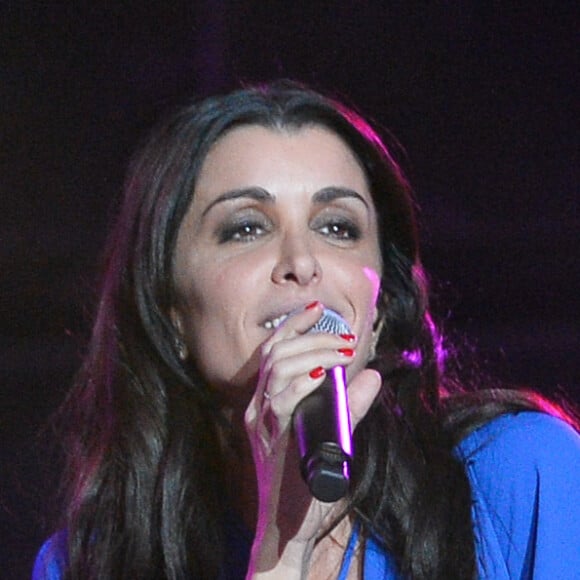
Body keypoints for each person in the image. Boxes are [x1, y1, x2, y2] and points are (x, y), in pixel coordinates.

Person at [33, 81, 580, 579]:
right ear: (169, 311)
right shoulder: (91, 563)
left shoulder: (521, 473)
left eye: (337, 227)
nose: (302, 260)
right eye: (246, 228)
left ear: (381, 309)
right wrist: (282, 551)